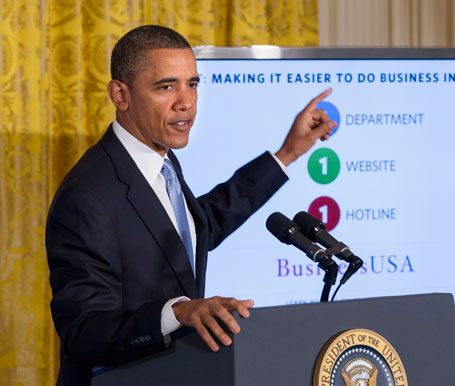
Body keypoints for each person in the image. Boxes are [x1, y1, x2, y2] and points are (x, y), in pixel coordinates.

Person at [46, 25, 336, 386]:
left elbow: (200, 226)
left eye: (193, 84)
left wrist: (287, 153)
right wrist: (178, 312)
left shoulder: (160, 161)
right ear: (120, 95)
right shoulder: (87, 197)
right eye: (166, 86)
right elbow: (82, 332)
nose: (186, 102)